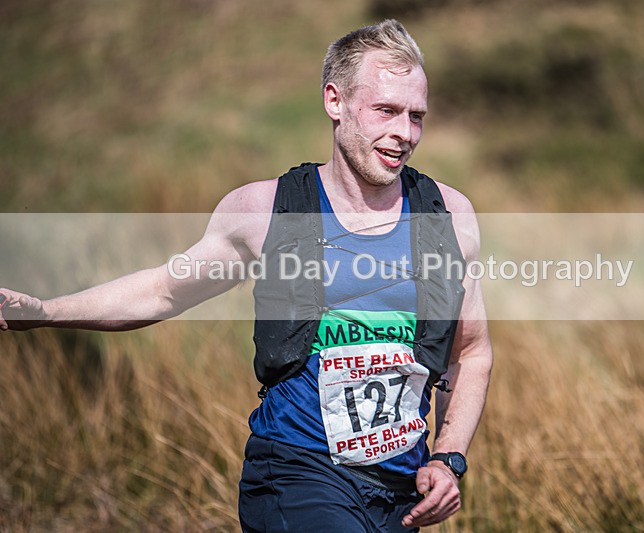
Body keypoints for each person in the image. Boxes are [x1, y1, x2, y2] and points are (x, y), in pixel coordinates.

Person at [0, 19, 492, 532]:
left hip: (400, 491)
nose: (405, 133)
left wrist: (447, 458)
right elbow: (163, 291)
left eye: (416, 116)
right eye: (386, 111)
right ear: (335, 101)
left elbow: (471, 353)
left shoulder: (449, 217)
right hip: (297, 473)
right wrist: (47, 312)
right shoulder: (265, 211)